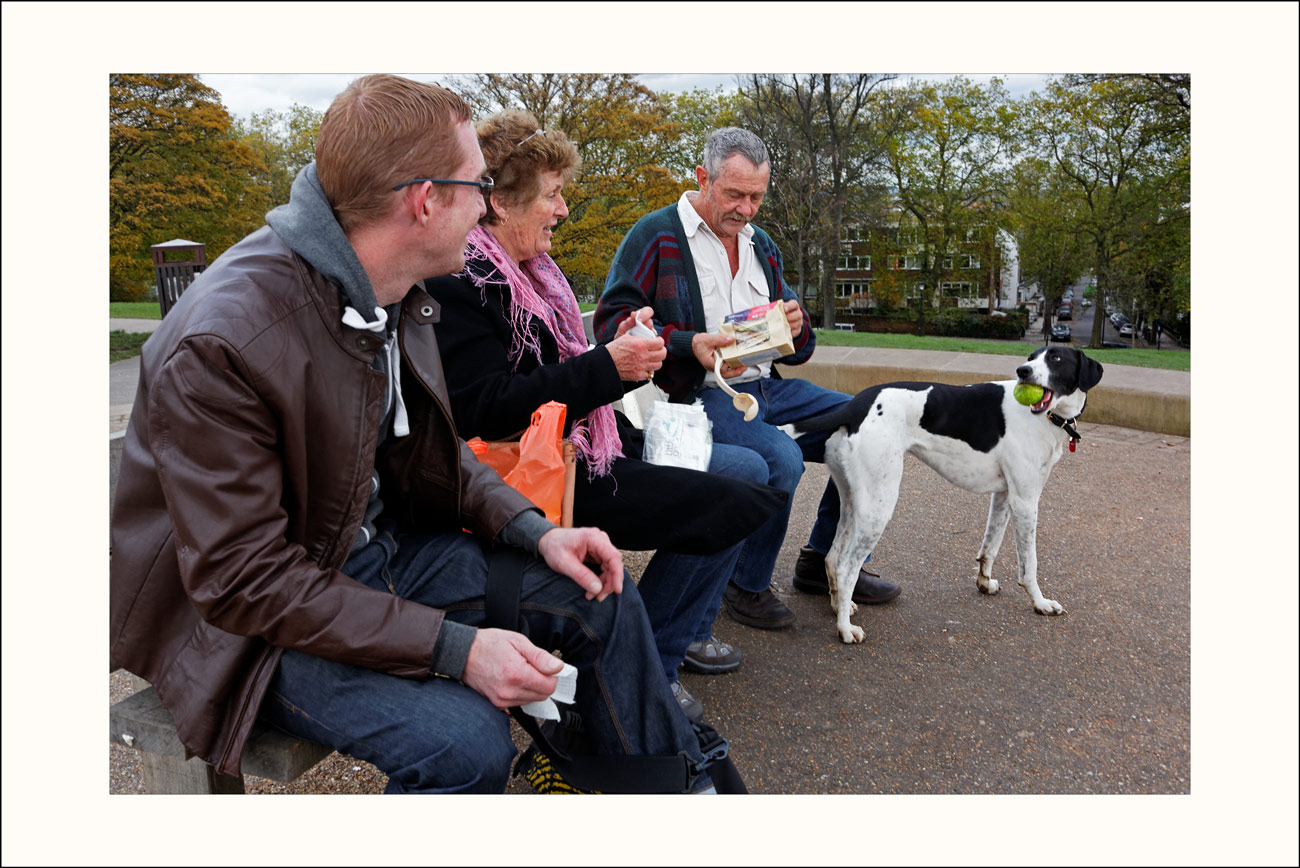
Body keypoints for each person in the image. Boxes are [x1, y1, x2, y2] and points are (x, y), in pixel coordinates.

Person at [109, 75, 718, 794]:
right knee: (466, 745)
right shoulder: (224, 340)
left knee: (598, 591)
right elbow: (243, 581)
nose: (487, 204)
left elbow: (428, 447)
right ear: (425, 200)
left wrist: (534, 531)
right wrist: (457, 650)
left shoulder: (393, 288)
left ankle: (658, 792)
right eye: (479, 184)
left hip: (373, 557)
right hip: (250, 629)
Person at [424, 110, 786, 723]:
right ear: (500, 204)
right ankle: (645, 669)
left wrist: (620, 352)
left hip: (592, 445)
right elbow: (483, 411)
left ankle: (657, 650)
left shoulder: (535, 273)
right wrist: (608, 368)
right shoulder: (469, 280)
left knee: (750, 472)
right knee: (736, 498)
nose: (563, 209)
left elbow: (566, 371)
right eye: (553, 195)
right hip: (539, 481)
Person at [595, 127, 903, 631]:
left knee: (872, 421)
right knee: (780, 459)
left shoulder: (763, 244)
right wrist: (688, 345)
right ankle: (746, 584)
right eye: (734, 194)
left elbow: (798, 346)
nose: (746, 209)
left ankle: (828, 557)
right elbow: (614, 324)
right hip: (704, 393)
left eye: (757, 196)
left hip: (768, 386)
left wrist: (799, 326)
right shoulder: (656, 234)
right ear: (703, 178)